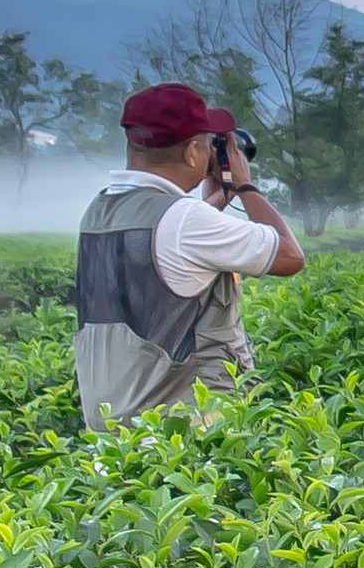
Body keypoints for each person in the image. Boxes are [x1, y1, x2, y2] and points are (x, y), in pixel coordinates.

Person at [73, 80, 305, 426]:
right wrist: (244, 185)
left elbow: (165, 250)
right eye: (211, 143)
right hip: (183, 431)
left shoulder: (100, 209)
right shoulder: (185, 220)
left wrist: (215, 203)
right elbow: (290, 256)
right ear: (190, 152)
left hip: (115, 426)